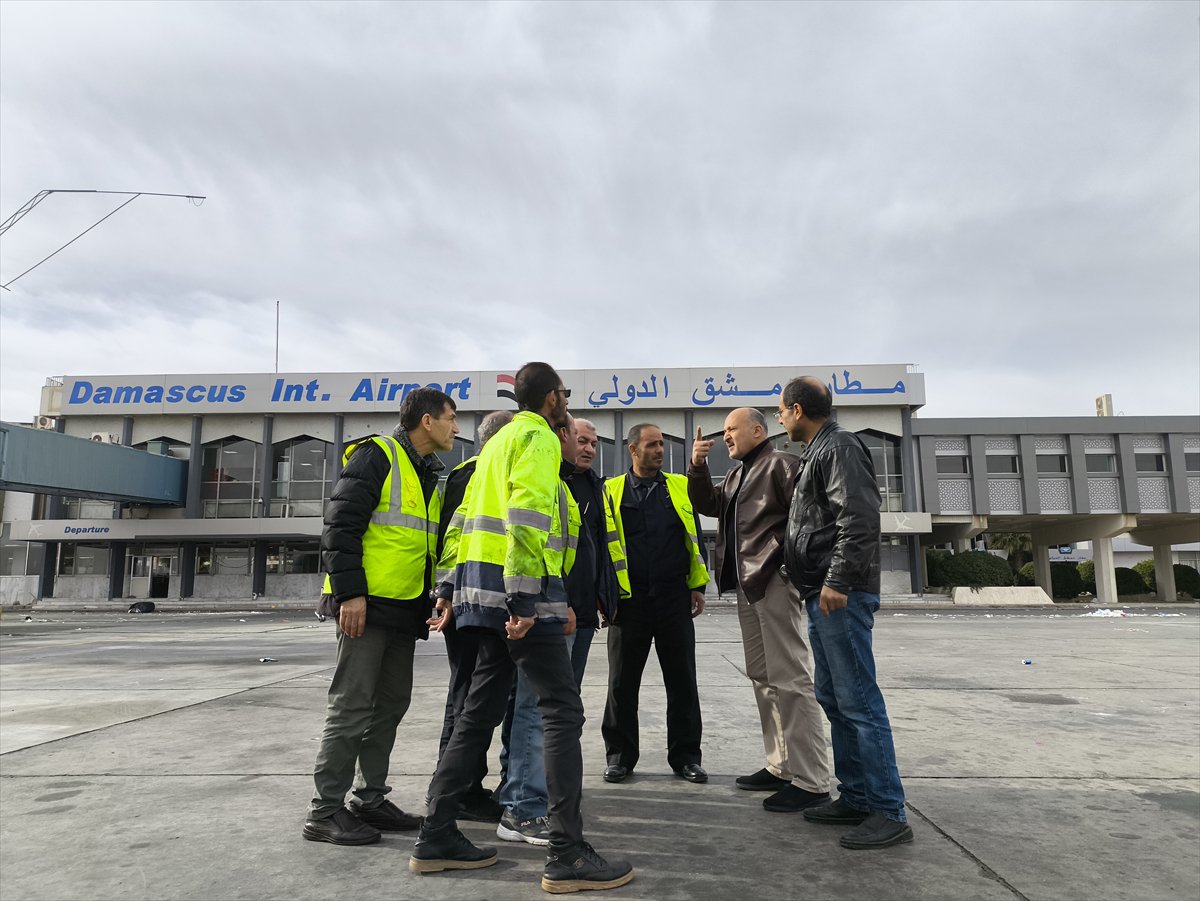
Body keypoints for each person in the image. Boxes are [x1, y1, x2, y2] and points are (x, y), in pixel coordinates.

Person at [412, 362, 633, 893]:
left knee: (477, 712)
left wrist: (447, 589)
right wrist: (525, 599)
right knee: (561, 711)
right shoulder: (534, 436)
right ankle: (567, 852)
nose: (566, 401)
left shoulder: (495, 444)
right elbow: (528, 515)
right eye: (565, 394)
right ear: (552, 397)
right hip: (519, 596)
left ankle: (436, 834)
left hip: (479, 596)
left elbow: (465, 520)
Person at [302, 387, 459, 845]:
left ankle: (369, 799)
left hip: (401, 609)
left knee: (390, 705)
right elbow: (340, 526)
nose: (455, 428)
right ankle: (324, 810)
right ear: (426, 421)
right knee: (351, 707)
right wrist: (350, 594)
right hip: (364, 609)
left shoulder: (426, 471)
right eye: (450, 418)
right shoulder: (378, 455)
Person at [777, 377, 913, 850]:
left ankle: (887, 809)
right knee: (834, 698)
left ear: (797, 410)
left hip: (840, 594)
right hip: (820, 592)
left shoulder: (839, 447)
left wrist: (838, 579)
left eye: (780, 410)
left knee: (859, 701)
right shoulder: (817, 450)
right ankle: (855, 797)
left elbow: (857, 516)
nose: (778, 418)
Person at [688, 408, 832, 813]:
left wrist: (787, 568)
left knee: (791, 679)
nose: (727, 437)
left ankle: (811, 780)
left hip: (772, 581)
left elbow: (813, 521)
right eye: (725, 431)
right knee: (764, 677)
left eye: (733, 430)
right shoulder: (738, 474)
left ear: (758, 430)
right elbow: (708, 505)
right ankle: (781, 764)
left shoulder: (783, 465)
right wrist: (698, 466)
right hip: (747, 586)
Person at [490, 414, 581, 847]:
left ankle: (518, 795)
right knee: (536, 708)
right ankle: (523, 807)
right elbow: (526, 537)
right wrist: (526, 605)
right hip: (529, 605)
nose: (583, 446)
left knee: (523, 708)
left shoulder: (561, 486)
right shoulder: (537, 465)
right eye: (577, 436)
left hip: (542, 602)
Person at [601, 423, 709, 784]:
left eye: (662, 444)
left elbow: (694, 538)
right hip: (628, 605)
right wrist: (604, 596)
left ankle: (686, 757)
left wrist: (698, 587)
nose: (660, 450)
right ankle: (619, 757)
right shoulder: (611, 491)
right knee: (621, 684)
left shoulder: (678, 486)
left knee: (682, 682)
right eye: (652, 445)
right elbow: (603, 550)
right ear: (633, 450)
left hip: (673, 599)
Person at [429, 410, 513, 824]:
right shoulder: (480, 473)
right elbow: (456, 537)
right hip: (472, 601)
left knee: (469, 696)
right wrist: (447, 592)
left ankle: (460, 786)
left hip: (467, 598)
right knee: (468, 698)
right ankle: (458, 790)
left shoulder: (465, 471)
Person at [565, 417, 618, 684]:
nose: (589, 450)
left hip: (586, 614)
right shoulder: (553, 483)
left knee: (571, 696)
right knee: (541, 702)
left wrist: (606, 600)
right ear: (565, 439)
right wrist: (560, 603)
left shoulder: (598, 488)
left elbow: (602, 550)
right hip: (558, 613)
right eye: (582, 441)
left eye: (594, 444)